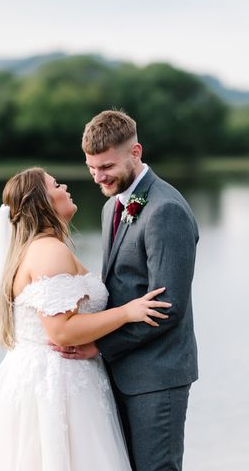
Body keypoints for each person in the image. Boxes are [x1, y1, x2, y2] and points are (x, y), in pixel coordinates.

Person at [0, 167, 172, 470]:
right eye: (55, 184)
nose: (65, 187)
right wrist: (126, 313)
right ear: (42, 203)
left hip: (54, 377)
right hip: (57, 386)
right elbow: (61, 330)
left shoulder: (42, 249)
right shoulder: (48, 252)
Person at [51, 110, 199, 471]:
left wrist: (100, 345)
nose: (99, 177)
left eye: (107, 167)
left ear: (135, 153)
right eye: (91, 168)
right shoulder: (110, 206)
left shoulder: (165, 210)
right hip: (118, 373)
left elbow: (167, 307)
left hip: (157, 375)